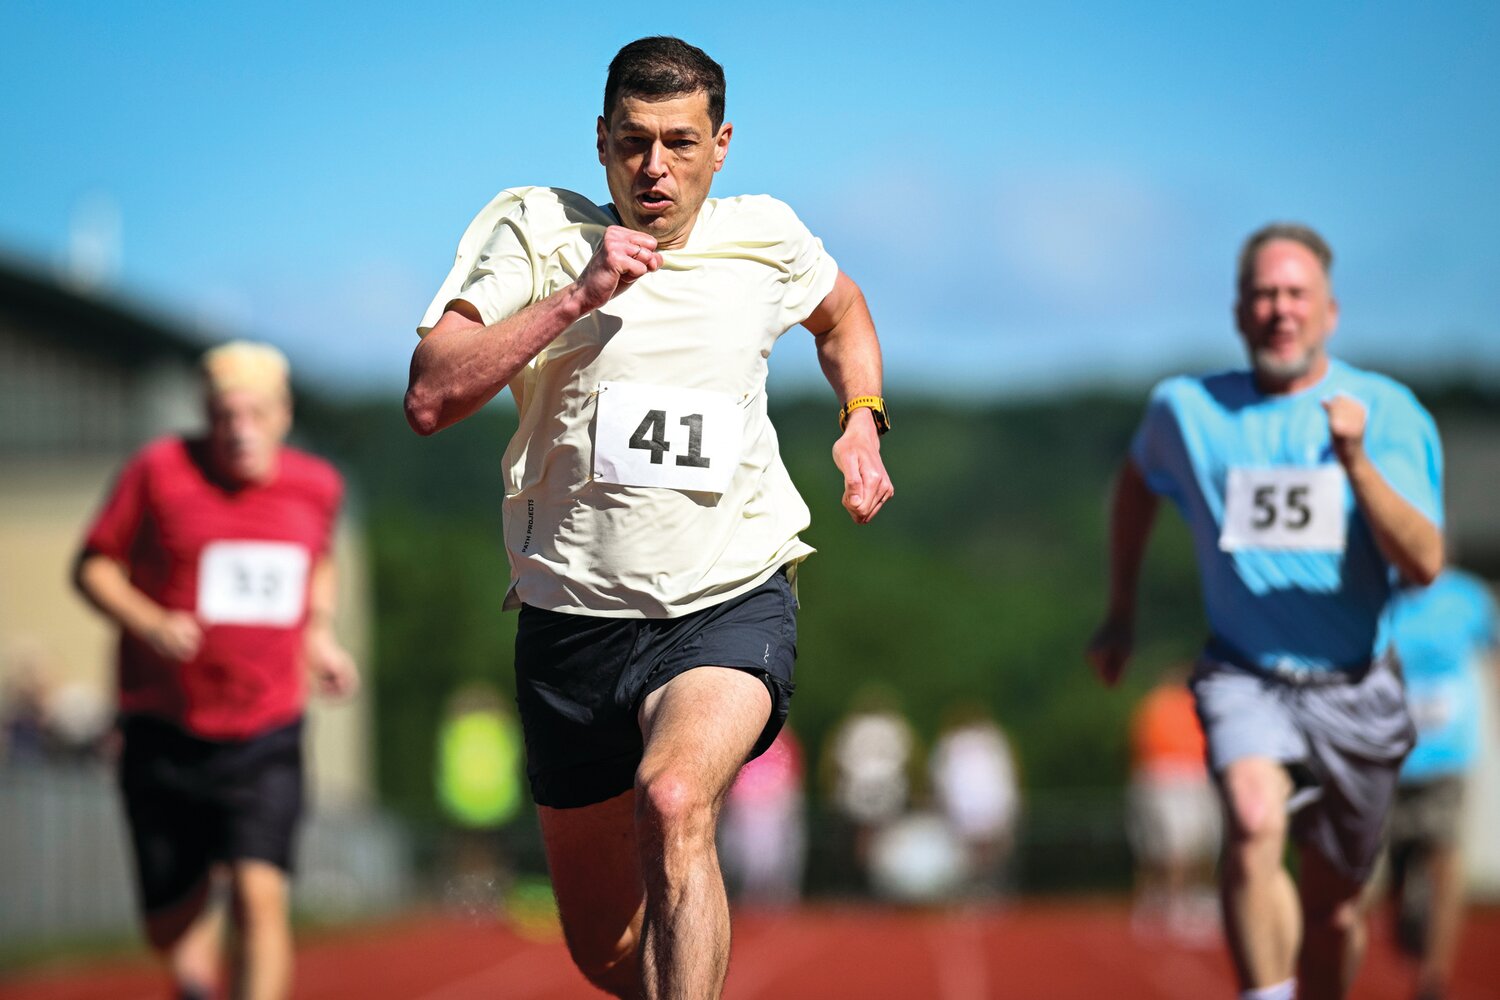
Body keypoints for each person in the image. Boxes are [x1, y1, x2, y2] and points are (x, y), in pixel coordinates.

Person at [404, 36, 892, 1000]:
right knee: (605, 950)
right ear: (599, 141)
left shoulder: (768, 237)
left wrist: (862, 423)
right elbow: (430, 395)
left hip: (728, 596)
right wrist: (577, 298)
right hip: (572, 621)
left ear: (721, 145)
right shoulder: (536, 233)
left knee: (674, 802)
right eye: (633, 143)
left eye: (678, 142)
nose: (654, 168)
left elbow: (843, 316)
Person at [1087, 222, 1444, 1000]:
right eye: (1264, 295)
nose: (1280, 310)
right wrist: (1121, 608)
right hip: (1245, 672)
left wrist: (1355, 462)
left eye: (1296, 295)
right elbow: (1136, 484)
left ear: (1329, 313)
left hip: (1356, 686)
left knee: (1335, 910)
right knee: (1251, 824)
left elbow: (1424, 562)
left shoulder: (1386, 412)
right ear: (1240, 312)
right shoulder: (1186, 410)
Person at [74, 341, 358, 1000]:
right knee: (169, 923)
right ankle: (191, 945)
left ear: (284, 415)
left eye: (255, 414)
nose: (240, 431)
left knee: (261, 897)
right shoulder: (157, 471)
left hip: (267, 728)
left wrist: (320, 638)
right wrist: (148, 620)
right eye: (225, 415)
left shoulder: (317, 486)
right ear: (206, 415)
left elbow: (318, 563)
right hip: (164, 728)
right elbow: (91, 567)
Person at [1376, 567, 1498, 1000]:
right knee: (1400, 866)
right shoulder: (1377, 595)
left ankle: (1434, 977)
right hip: (1389, 755)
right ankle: (1408, 916)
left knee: (1444, 855)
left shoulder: (1468, 598)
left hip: (1448, 752)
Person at [1126, 668, 1221, 944]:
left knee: (1194, 846)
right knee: (1174, 848)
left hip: (1190, 777)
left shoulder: (1187, 704)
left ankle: (1186, 900)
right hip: (1170, 777)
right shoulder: (1161, 704)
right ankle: (1172, 903)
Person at [929, 703, 1020, 897]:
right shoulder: (988, 741)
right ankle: (981, 891)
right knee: (978, 855)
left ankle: (984, 890)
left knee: (979, 854)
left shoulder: (981, 742)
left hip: (974, 807)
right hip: (977, 807)